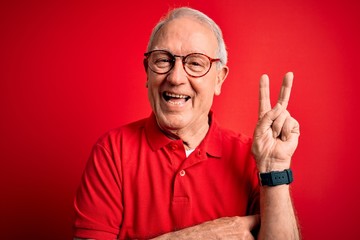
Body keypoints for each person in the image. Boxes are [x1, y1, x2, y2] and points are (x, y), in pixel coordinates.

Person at [73, 7, 300, 240]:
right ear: (147, 73)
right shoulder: (112, 151)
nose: (176, 78)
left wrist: (274, 168)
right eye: (163, 60)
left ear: (219, 79)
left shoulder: (252, 156)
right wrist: (199, 237)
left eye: (195, 63)